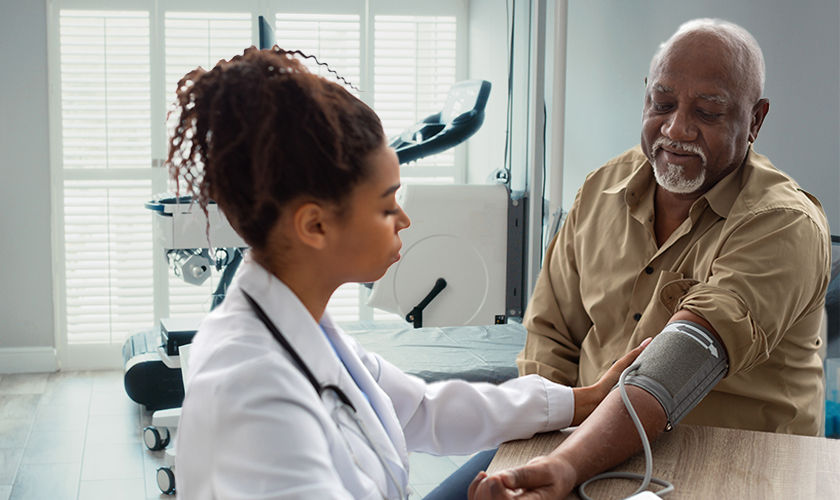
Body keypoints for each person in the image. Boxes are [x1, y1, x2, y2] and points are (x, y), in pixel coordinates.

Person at [167, 46, 649, 499]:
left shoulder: (304, 325)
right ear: (315, 225)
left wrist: (584, 400)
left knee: (517, 454)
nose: (404, 219)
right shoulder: (255, 396)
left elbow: (422, 409)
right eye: (385, 205)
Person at [469, 18, 831, 499]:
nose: (677, 128)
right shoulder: (601, 189)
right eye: (662, 104)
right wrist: (541, 443)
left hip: (737, 465)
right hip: (582, 442)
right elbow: (551, 335)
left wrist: (564, 466)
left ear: (756, 120)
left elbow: (682, 361)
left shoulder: (784, 223)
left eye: (707, 112)